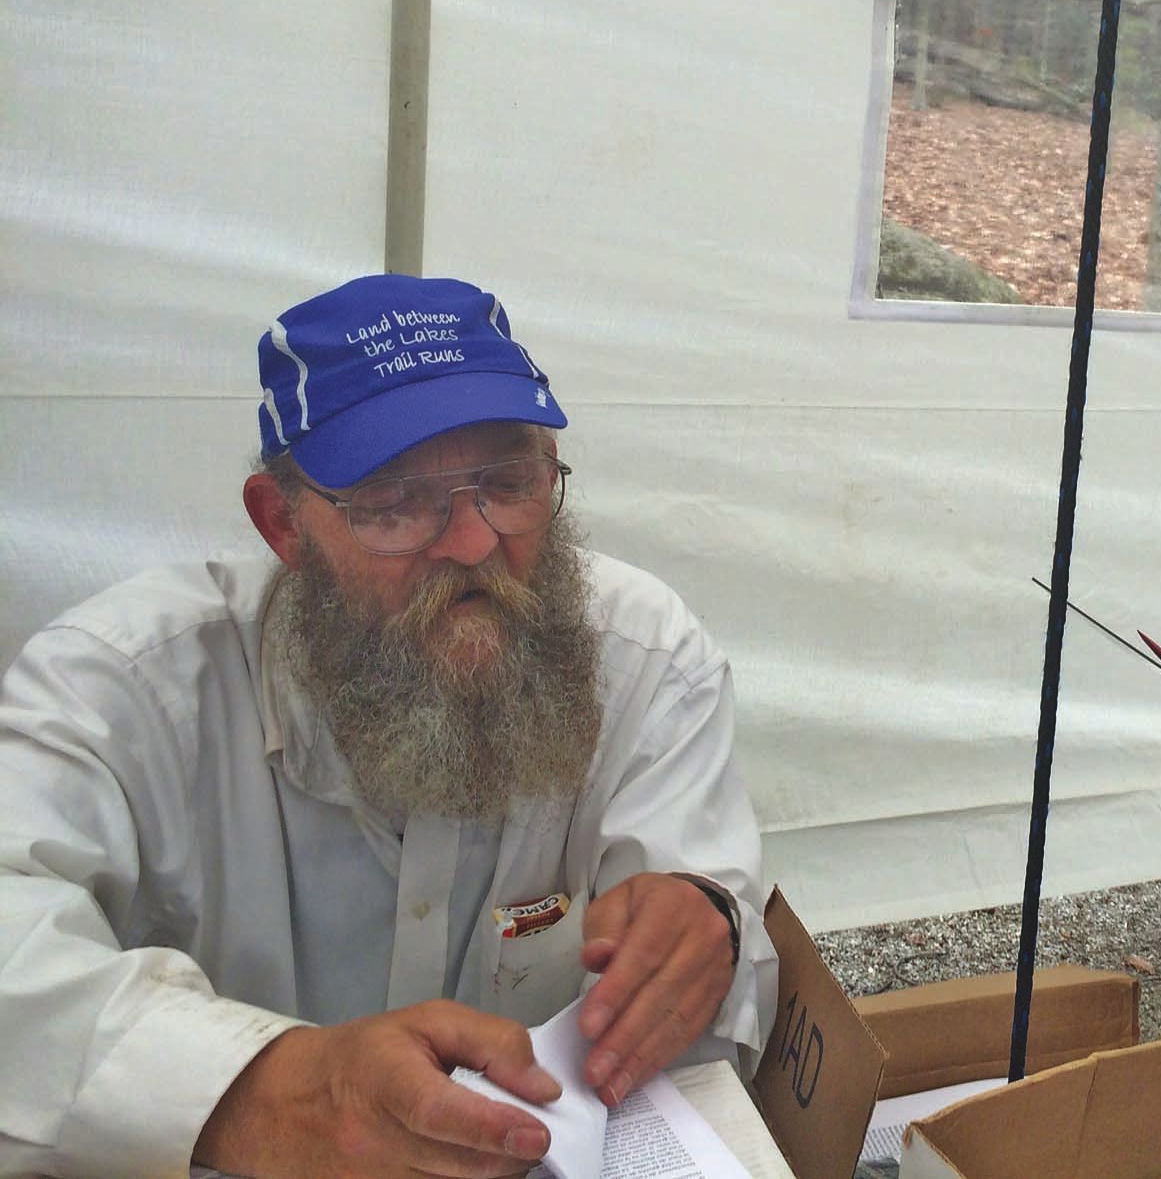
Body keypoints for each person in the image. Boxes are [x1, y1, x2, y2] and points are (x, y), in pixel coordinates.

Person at [0, 274, 778, 1179]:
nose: (474, 541)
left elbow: (714, 937)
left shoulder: (643, 656)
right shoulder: (123, 684)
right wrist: (266, 1088)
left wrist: (708, 926)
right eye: (396, 501)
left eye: (506, 481)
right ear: (283, 523)